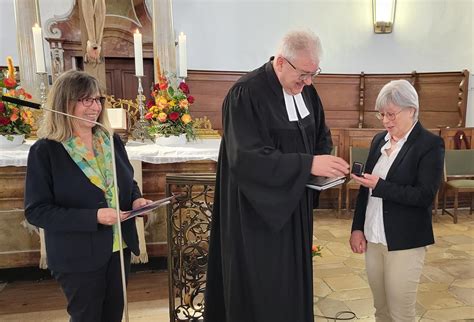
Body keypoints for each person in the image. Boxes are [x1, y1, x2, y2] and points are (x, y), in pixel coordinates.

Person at [204, 30, 349, 322]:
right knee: (264, 289)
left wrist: (324, 169)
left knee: (293, 285)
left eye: (314, 74)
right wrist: (308, 164)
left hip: (294, 207)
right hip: (257, 218)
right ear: (281, 62)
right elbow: (247, 158)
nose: (308, 82)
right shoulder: (246, 94)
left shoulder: (305, 89)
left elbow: (321, 133)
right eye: (304, 74)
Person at [24, 70, 150, 322]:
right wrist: (93, 217)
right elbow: (36, 211)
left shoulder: (111, 141)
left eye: (97, 100)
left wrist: (136, 199)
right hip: (77, 253)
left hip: (118, 247)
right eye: (85, 100)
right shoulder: (46, 151)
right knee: (87, 317)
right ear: (64, 103)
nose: (94, 107)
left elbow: (126, 182)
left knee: (112, 315)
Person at [349, 80, 444, 321]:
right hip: (374, 238)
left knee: (401, 313)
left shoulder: (429, 145)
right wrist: (357, 228)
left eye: (391, 114)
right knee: (381, 309)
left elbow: (424, 196)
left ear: (411, 110)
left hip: (405, 242)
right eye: (381, 114)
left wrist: (381, 187)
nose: (386, 121)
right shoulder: (379, 140)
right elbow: (365, 190)